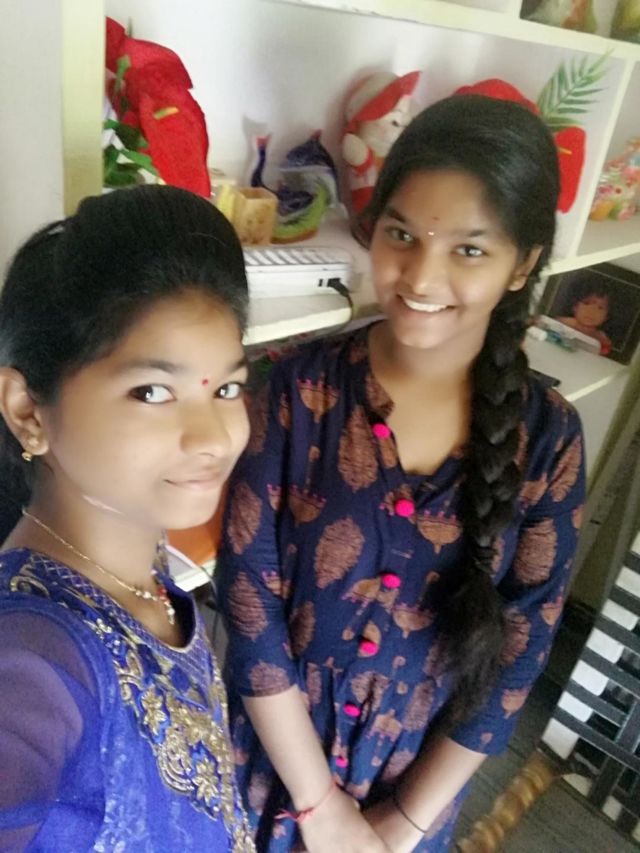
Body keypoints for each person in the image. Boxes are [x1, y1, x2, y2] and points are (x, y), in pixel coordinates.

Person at [217, 94, 586, 852]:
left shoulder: (549, 441)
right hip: (268, 773)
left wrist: (402, 826)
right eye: (402, 234)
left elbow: (518, 655)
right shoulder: (294, 391)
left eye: (469, 250)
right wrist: (321, 809)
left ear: (524, 264)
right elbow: (250, 605)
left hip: (413, 799)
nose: (421, 274)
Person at [0, 185, 256, 851]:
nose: (212, 435)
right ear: (28, 410)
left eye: (227, 387)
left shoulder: (144, 566)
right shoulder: (33, 656)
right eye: (152, 391)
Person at [556, 283, 612, 355]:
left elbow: (604, 353)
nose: (592, 311)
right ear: (575, 307)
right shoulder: (563, 322)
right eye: (586, 303)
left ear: (606, 317)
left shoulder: (601, 338)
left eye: (600, 308)